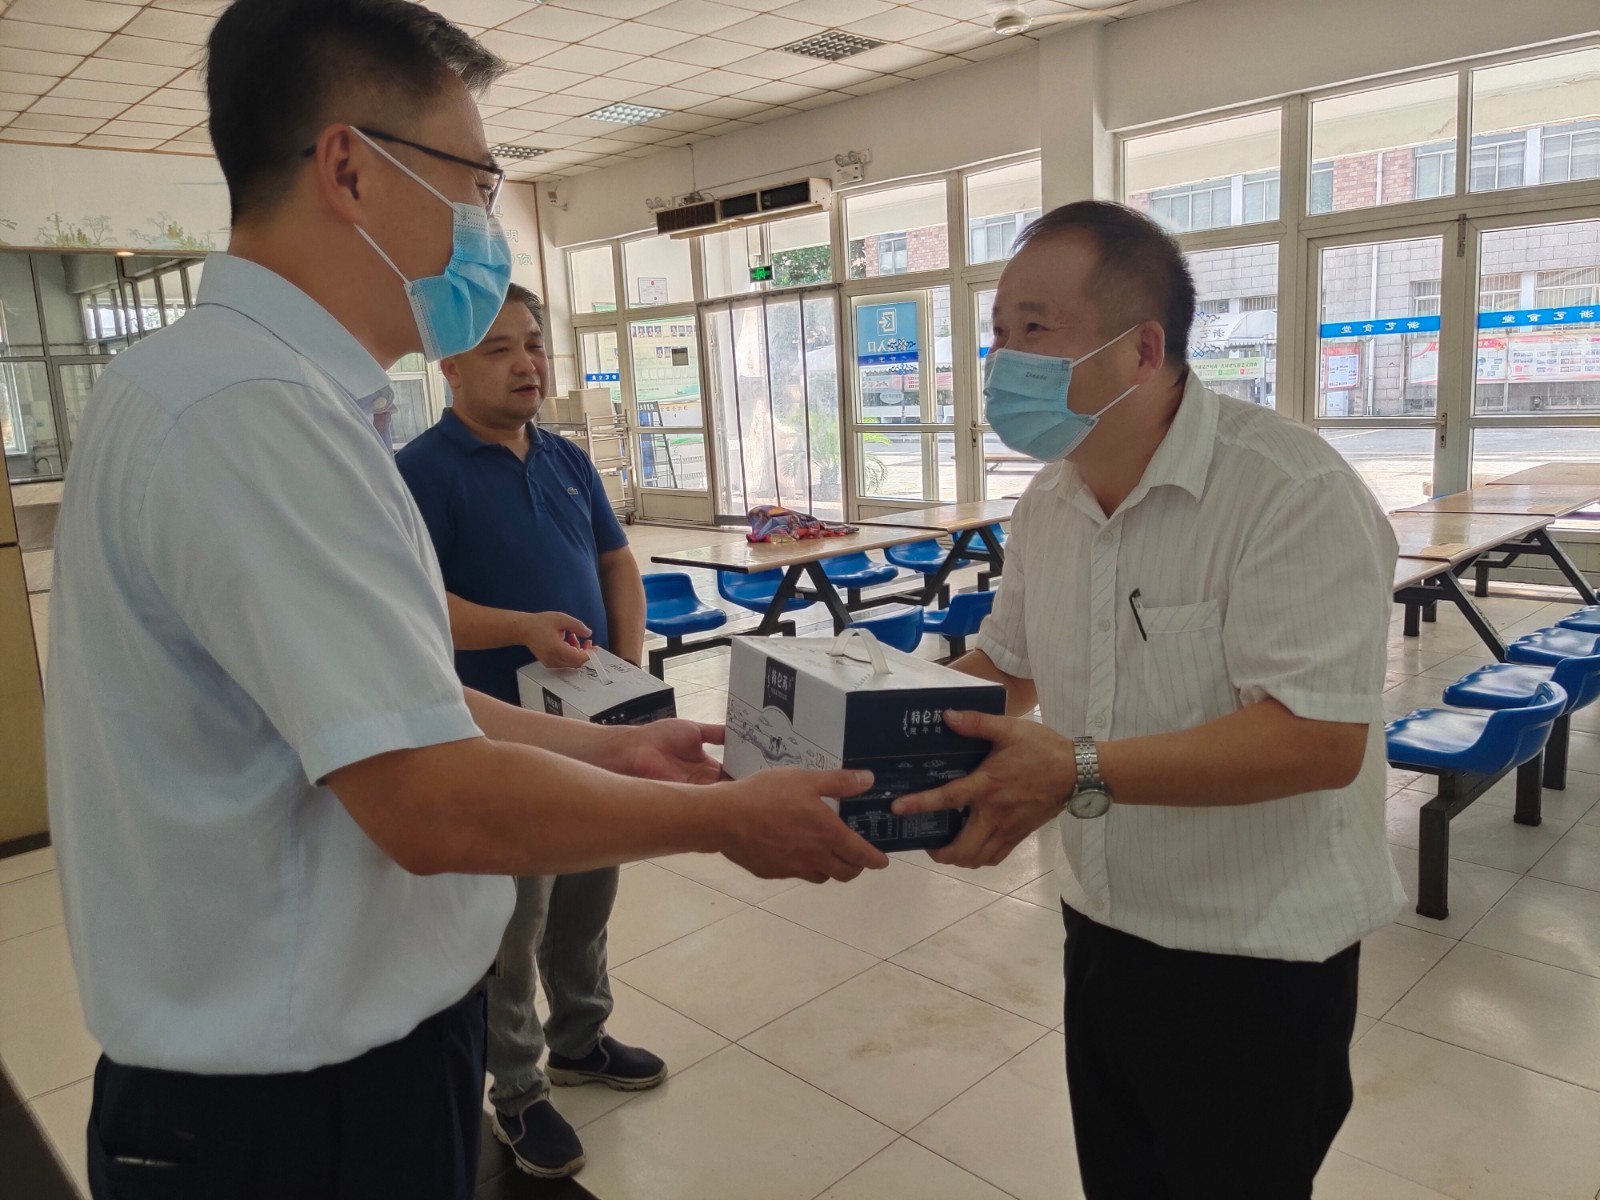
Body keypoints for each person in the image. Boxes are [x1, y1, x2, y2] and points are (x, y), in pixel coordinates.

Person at [44, 3, 886, 1197]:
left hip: (339, 1068)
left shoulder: (265, 397)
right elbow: (426, 801)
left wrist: (612, 751)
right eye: (477, 183)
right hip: (290, 1110)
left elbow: (390, 704)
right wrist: (723, 821)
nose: (487, 225)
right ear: (349, 169)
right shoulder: (251, 418)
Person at [893, 200, 1404, 1199]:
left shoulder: (1289, 492)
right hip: (1104, 928)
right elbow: (1010, 666)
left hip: (1255, 957)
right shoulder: (1051, 501)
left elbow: (1315, 740)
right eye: (996, 332)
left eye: (1034, 329)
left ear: (1142, 349)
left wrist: (1075, 770)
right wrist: (858, 717)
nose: (1004, 361)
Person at [396, 285, 655, 1179]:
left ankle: (581, 1036)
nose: (526, 363)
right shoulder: (421, 472)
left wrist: (628, 670)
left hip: (589, 723)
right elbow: (415, 606)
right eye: (499, 348)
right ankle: (517, 1090)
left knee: (587, 892)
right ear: (450, 366)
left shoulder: (566, 458)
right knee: (512, 919)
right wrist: (520, 628)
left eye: (534, 344)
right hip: (494, 738)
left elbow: (616, 561)